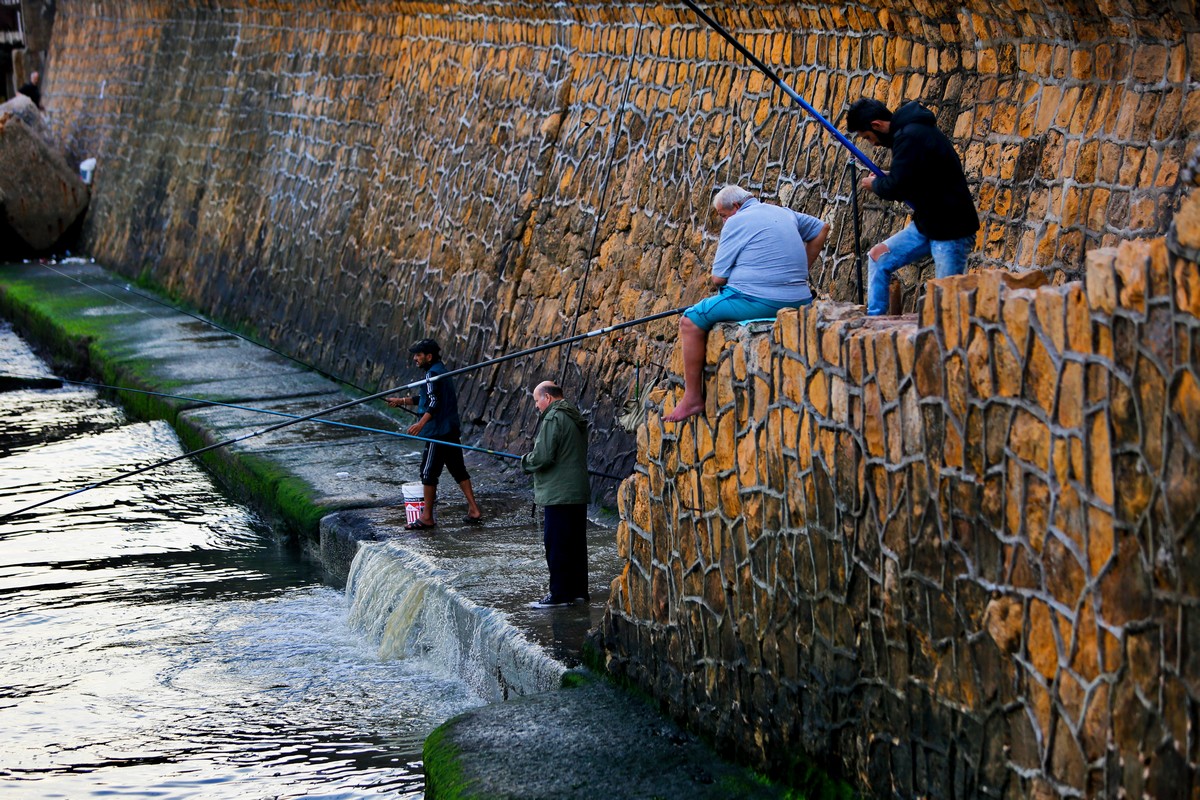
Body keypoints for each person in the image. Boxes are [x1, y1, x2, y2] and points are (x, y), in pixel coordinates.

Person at [663, 184, 828, 422]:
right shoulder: (784, 212)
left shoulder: (736, 221)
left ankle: (692, 398)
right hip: (800, 299)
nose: (723, 222)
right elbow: (822, 228)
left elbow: (717, 278)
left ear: (736, 207)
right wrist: (802, 271)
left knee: (690, 321)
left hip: (759, 301)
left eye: (722, 215)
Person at [846, 98, 980, 316]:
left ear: (877, 125)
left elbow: (896, 188)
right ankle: (875, 322)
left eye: (868, 138)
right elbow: (913, 176)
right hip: (928, 224)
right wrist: (891, 177)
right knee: (878, 257)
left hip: (951, 230)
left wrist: (876, 184)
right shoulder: (910, 133)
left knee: (946, 303)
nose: (873, 144)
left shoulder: (909, 136)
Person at [386, 338, 482, 529]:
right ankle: (474, 509)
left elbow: (434, 403)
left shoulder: (431, 375)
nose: (415, 358)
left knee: (428, 472)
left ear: (429, 356)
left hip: (437, 433)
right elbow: (426, 397)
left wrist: (420, 424)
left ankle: (427, 517)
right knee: (457, 469)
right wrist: (401, 400)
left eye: (418, 355)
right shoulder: (440, 371)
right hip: (450, 430)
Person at [521, 381, 590, 608]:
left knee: (557, 544)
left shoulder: (553, 418)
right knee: (576, 544)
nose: (537, 407)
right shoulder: (573, 415)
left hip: (559, 493)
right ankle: (579, 592)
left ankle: (559, 594)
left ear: (547, 398)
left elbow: (543, 456)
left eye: (536, 401)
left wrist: (525, 461)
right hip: (577, 491)